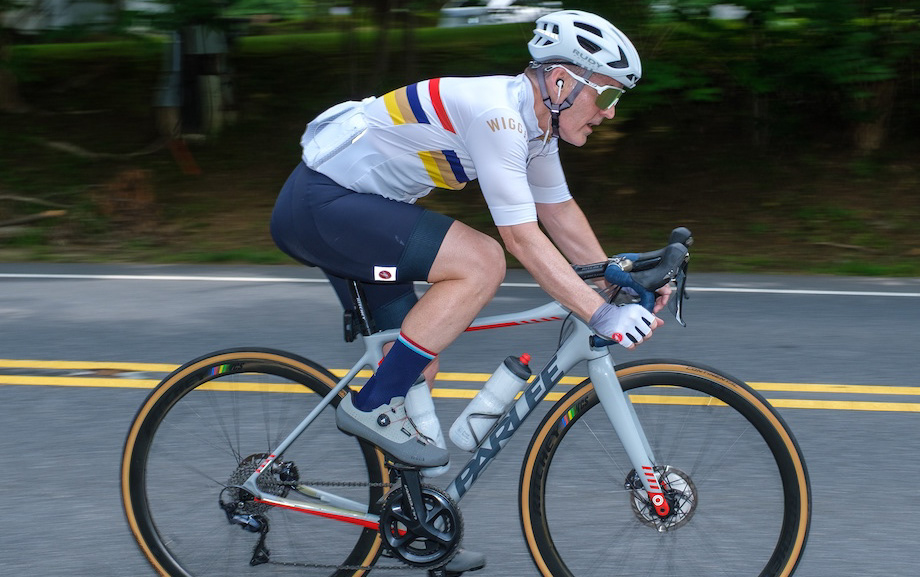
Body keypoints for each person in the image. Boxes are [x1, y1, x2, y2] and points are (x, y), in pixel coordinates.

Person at [270, 11, 668, 571]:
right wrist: (601, 315)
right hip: (322, 205)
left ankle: (416, 530)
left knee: (416, 365)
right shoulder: (498, 117)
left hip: (352, 210)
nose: (608, 112)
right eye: (604, 95)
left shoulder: (537, 130)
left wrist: (616, 284)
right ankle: (371, 404)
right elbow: (521, 238)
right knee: (482, 261)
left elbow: (559, 215)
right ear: (560, 82)